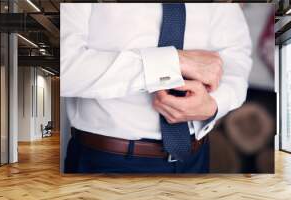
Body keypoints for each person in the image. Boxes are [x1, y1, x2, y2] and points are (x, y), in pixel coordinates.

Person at [61, 3, 252, 173]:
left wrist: (214, 104)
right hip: (107, 162)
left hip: (195, 158)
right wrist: (172, 63)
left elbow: (236, 60)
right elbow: (65, 68)